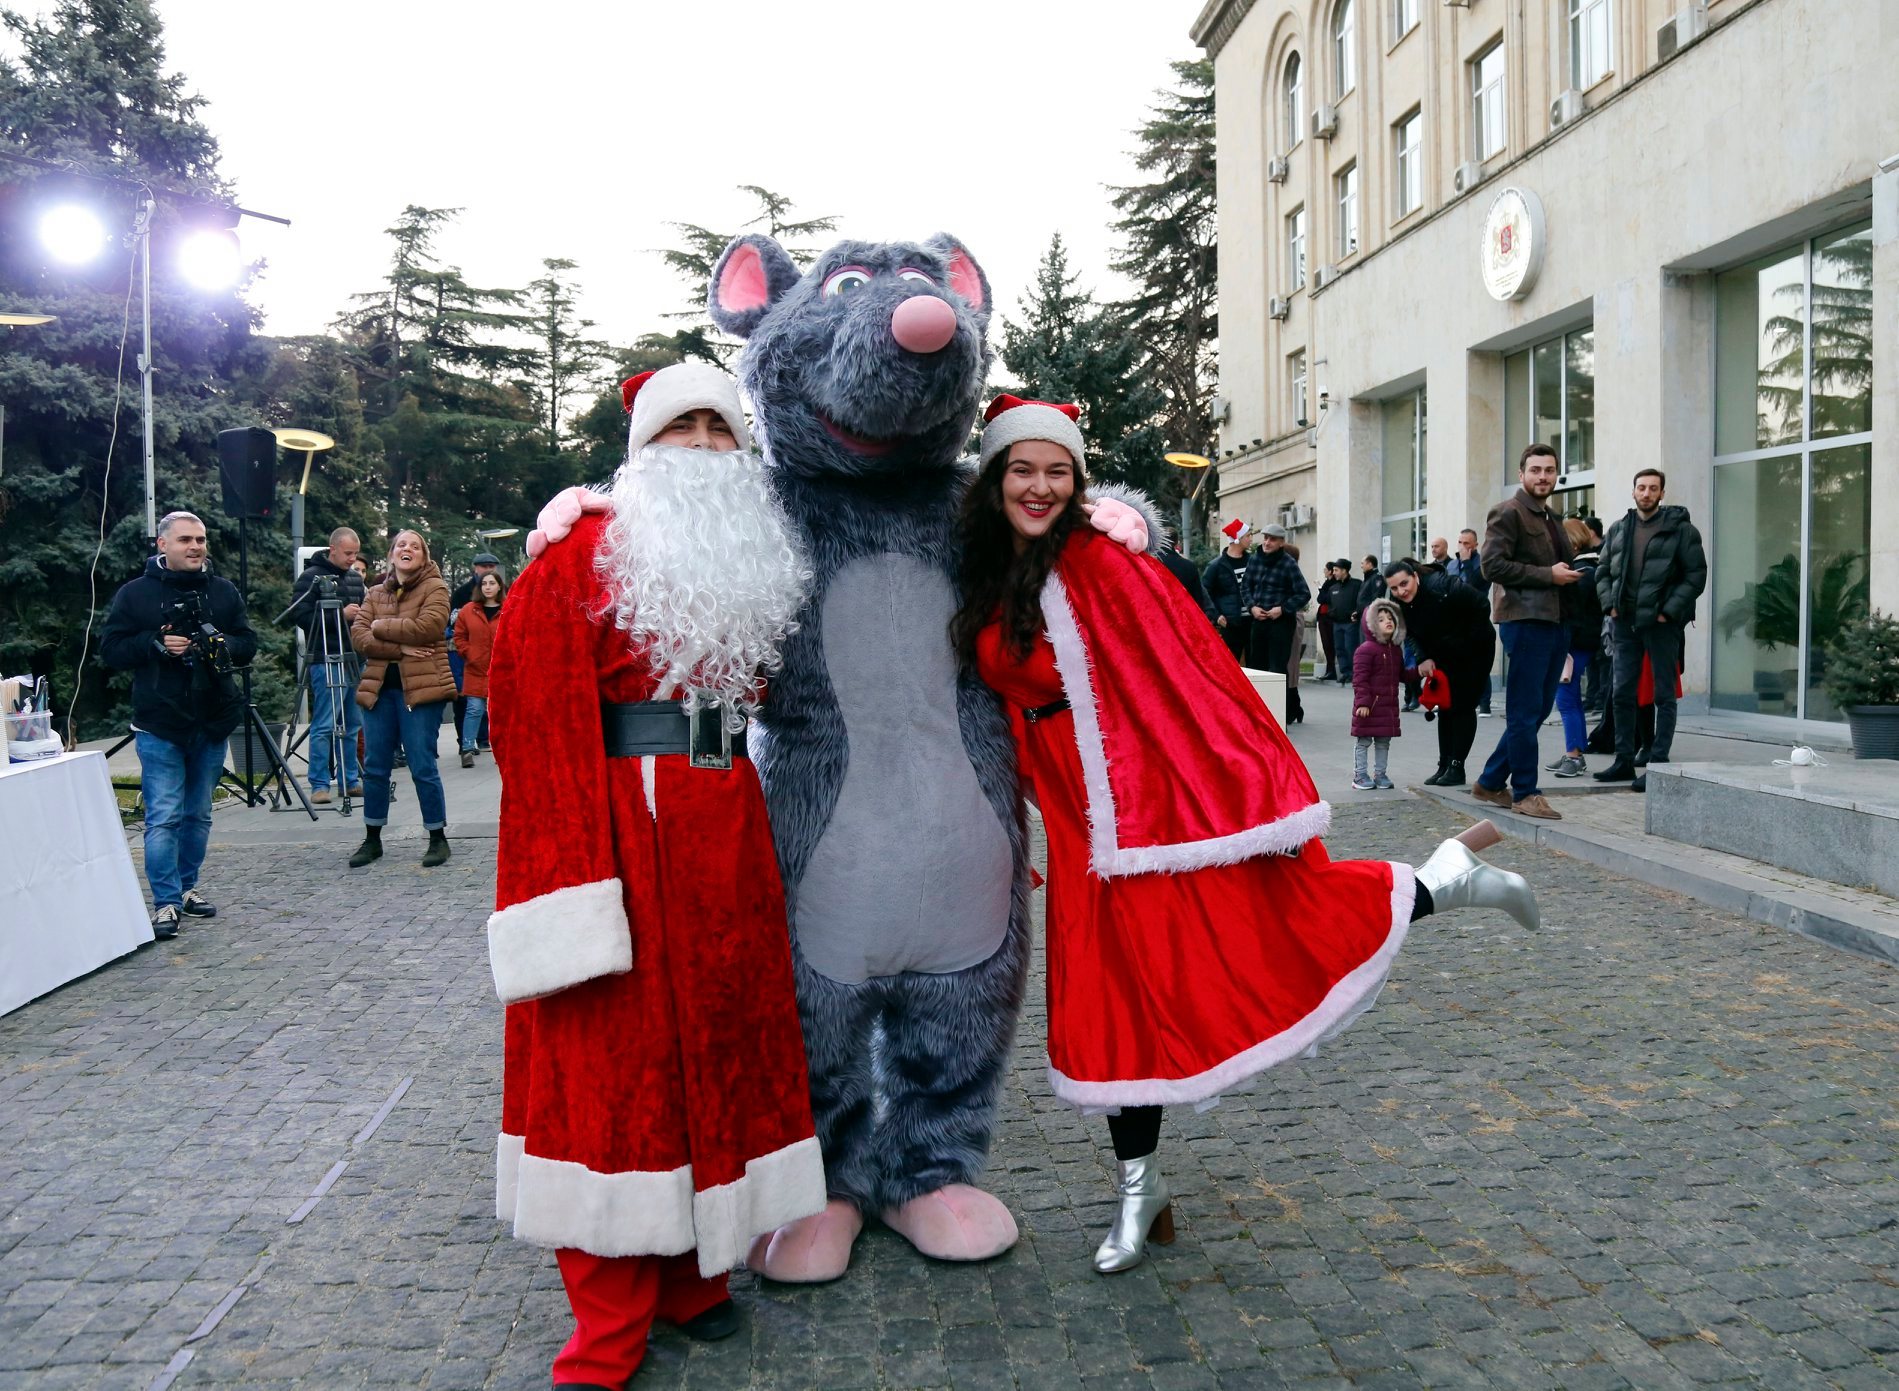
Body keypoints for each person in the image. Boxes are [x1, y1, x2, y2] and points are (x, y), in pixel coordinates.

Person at [952, 396, 1539, 1275]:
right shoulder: (984, 569)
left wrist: (1240, 790)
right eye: (1021, 469)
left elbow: (1190, 675)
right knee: (1106, 994)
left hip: (1149, 805)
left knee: (1262, 924)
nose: (1038, 486)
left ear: (1078, 482)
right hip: (1075, 817)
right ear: (993, 477)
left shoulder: (1107, 563)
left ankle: (1438, 881)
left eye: (1057, 471)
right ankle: (1139, 1184)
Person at [484, 362, 828, 1386]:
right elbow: (529, 717)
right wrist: (571, 878)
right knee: (613, 1062)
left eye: (721, 429)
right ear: (641, 447)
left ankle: (691, 1272)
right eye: (682, 428)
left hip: (721, 825)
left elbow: (743, 702)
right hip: (619, 836)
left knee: (714, 1039)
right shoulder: (578, 554)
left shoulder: (750, 559)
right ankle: (608, 1319)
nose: (705, 448)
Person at [100, 511, 257, 939]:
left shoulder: (222, 591)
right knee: (164, 816)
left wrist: (219, 643)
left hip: (212, 720)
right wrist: (154, 643)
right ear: (162, 545)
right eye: (186, 539)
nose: (195, 547)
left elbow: (248, 643)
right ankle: (165, 902)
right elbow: (111, 649)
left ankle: (187, 888)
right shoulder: (136, 594)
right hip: (160, 723)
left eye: (200, 540)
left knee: (198, 814)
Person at [1470, 445, 1580, 821]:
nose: (1543, 476)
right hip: (1526, 621)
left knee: (1537, 710)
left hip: (1556, 622)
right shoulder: (1508, 512)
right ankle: (1525, 792)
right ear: (1522, 474)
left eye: (1549, 470)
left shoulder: (1552, 517)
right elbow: (1491, 566)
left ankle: (1490, 781)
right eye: (1536, 470)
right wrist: (1549, 575)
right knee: (1524, 711)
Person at [349, 530, 457, 869]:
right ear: (391, 554)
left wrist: (380, 625)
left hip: (422, 690)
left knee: (422, 765)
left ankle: (437, 837)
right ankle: (372, 839)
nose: (407, 549)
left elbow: (429, 627)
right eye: (401, 545)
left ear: (423, 556)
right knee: (375, 766)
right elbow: (358, 637)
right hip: (380, 691)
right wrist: (400, 648)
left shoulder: (435, 588)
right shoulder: (375, 592)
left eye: (414, 546)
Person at [1593, 469, 1706, 790]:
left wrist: (1668, 612)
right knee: (1622, 693)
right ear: (1633, 492)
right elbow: (1603, 571)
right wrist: (1609, 605)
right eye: (1641, 488)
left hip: (1661, 626)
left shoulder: (1681, 530)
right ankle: (1623, 761)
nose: (1646, 493)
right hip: (1624, 622)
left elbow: (1695, 575)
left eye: (1653, 488)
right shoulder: (1619, 529)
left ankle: (1658, 763)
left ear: (1662, 493)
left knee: (1663, 695)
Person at [1382, 559, 1495, 788]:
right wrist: (1423, 657)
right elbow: (1408, 632)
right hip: (1442, 653)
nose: (1401, 591)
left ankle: (1456, 766)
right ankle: (1444, 764)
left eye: (1404, 583)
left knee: (1462, 706)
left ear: (1415, 577)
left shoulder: (1442, 586)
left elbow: (1482, 605)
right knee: (1445, 706)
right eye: (1394, 588)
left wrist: (1465, 644)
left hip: (1475, 651)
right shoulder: (1398, 603)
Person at [290, 527, 368, 804]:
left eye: (355, 553)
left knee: (353, 723)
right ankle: (319, 784)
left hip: (353, 659)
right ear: (332, 549)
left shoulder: (355, 579)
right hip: (326, 658)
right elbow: (300, 616)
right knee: (324, 724)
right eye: (348, 553)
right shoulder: (311, 577)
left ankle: (350, 780)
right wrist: (339, 615)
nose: (352, 559)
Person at [1551, 518, 1602, 779]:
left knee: (1566, 699)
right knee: (1571, 700)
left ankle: (1574, 756)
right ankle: (1575, 752)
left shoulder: (1580, 572)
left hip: (1575, 644)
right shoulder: (1589, 568)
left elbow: (1573, 613)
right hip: (1582, 642)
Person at [1243, 524, 1310, 722]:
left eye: (1272, 539)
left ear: (1281, 543)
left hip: (1281, 623)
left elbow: (1303, 593)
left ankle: (1278, 716)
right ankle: (1258, 715)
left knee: (1278, 669)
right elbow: (1245, 587)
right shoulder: (1255, 559)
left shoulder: (1288, 564)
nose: (1267, 542)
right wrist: (1252, 607)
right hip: (1259, 620)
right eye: (1265, 538)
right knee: (1257, 668)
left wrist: (1282, 609)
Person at [449, 552, 503, 753]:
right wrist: (468, 652)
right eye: (484, 566)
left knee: (496, 707)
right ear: (475, 568)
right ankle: (466, 744)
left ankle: (487, 740)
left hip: (497, 663)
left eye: (491, 567)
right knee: (469, 704)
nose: (487, 570)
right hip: (470, 660)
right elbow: (455, 627)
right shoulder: (462, 595)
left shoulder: (506, 601)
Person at [1351, 597, 1405, 790]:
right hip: (1369, 707)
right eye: (1381, 619)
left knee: (1383, 742)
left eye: (1390, 618)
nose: (1387, 621)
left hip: (1387, 708)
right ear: (1371, 625)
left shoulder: (1395, 650)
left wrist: (1419, 673)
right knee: (1364, 741)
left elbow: (1401, 674)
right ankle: (1360, 775)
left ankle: (1380, 774)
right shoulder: (1365, 650)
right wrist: (1363, 703)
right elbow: (1360, 680)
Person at [1445, 529, 1495, 717]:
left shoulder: (1482, 564)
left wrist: (1466, 562)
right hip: (1457, 619)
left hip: (1476, 618)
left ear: (1475, 545)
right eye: (1460, 542)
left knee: (1480, 661)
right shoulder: (1452, 564)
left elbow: (1473, 586)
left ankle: (1484, 703)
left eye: (1467, 543)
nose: (1462, 546)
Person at [1203, 519, 1253, 662]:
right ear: (1237, 539)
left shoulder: (1253, 561)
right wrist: (1216, 615)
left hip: (1253, 621)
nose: (1251, 539)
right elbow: (1205, 593)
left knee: (1256, 665)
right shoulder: (1216, 566)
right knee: (1231, 663)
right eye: (1247, 536)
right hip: (1231, 624)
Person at [1156, 539, 1217, 623]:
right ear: (1176, 544)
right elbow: (1200, 600)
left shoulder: (1150, 564)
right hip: (1186, 619)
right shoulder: (1188, 566)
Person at [1332, 557, 1362, 683]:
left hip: (1350, 623)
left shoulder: (1357, 584)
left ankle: (1355, 673)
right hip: (1337, 623)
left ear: (1344, 570)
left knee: (1351, 648)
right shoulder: (1333, 587)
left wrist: (1357, 612)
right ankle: (1345, 672)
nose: (1334, 573)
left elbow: (1361, 601)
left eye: (1336, 570)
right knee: (1339, 649)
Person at [1314, 562, 1343, 681]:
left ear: (1330, 571)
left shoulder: (1334, 584)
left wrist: (1320, 588)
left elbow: (1325, 598)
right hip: (1323, 616)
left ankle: (1332, 670)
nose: (1324, 571)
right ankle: (1329, 670)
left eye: (1325, 569)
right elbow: (1320, 599)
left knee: (1330, 644)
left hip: (1329, 616)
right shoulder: (1328, 583)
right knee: (1326, 644)